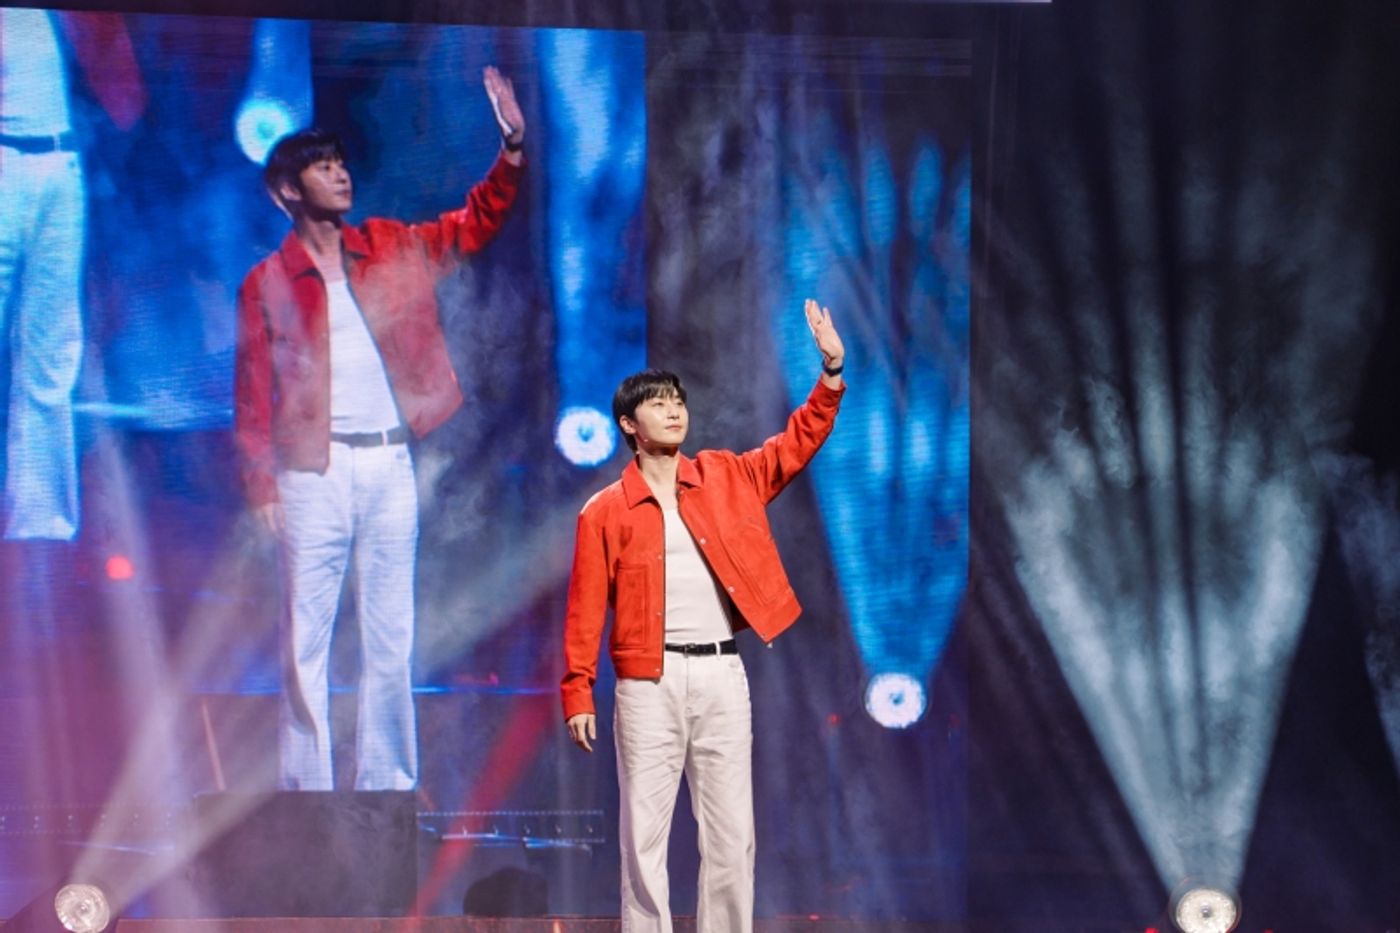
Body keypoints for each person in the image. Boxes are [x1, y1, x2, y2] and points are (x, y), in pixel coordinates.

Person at [234, 67, 525, 791]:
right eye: (322, 167)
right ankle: (306, 791)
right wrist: (261, 485)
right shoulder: (268, 281)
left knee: (392, 635)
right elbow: (250, 395)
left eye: (341, 163)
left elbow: (476, 221)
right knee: (307, 638)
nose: (340, 174)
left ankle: (388, 787)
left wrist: (512, 145)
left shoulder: (391, 246)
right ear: (287, 192)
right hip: (311, 473)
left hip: (390, 465)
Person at [561, 299, 846, 932]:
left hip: (721, 677)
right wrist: (577, 690)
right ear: (629, 425)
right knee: (644, 842)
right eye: (658, 403)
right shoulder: (605, 511)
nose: (673, 410)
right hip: (647, 684)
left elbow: (795, 446)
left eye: (678, 402)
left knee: (731, 836)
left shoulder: (725, 477)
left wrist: (829, 375)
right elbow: (584, 609)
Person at [0, 9, 143, 541]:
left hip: (62, 164)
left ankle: (39, 520)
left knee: (52, 348)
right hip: (5, 164)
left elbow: (120, 93)